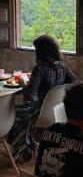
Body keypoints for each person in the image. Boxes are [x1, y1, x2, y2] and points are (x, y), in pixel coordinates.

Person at [7, 35, 77, 164]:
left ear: (40, 52)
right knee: (19, 116)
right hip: (57, 112)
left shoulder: (39, 69)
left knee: (11, 115)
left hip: (39, 112)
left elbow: (32, 96)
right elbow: (74, 83)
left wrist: (23, 84)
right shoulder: (63, 67)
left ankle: (23, 150)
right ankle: (29, 146)